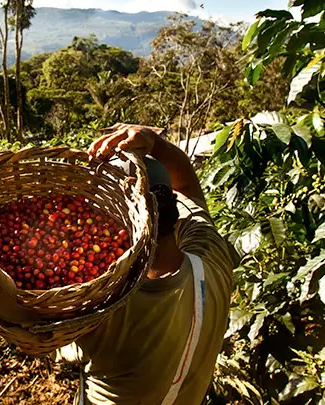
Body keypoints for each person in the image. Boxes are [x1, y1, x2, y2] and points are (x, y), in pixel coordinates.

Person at [56, 123, 235, 405]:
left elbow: (31, 325)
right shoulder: (212, 254)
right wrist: (155, 144)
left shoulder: (104, 312)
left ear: (113, 231)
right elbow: (187, 186)